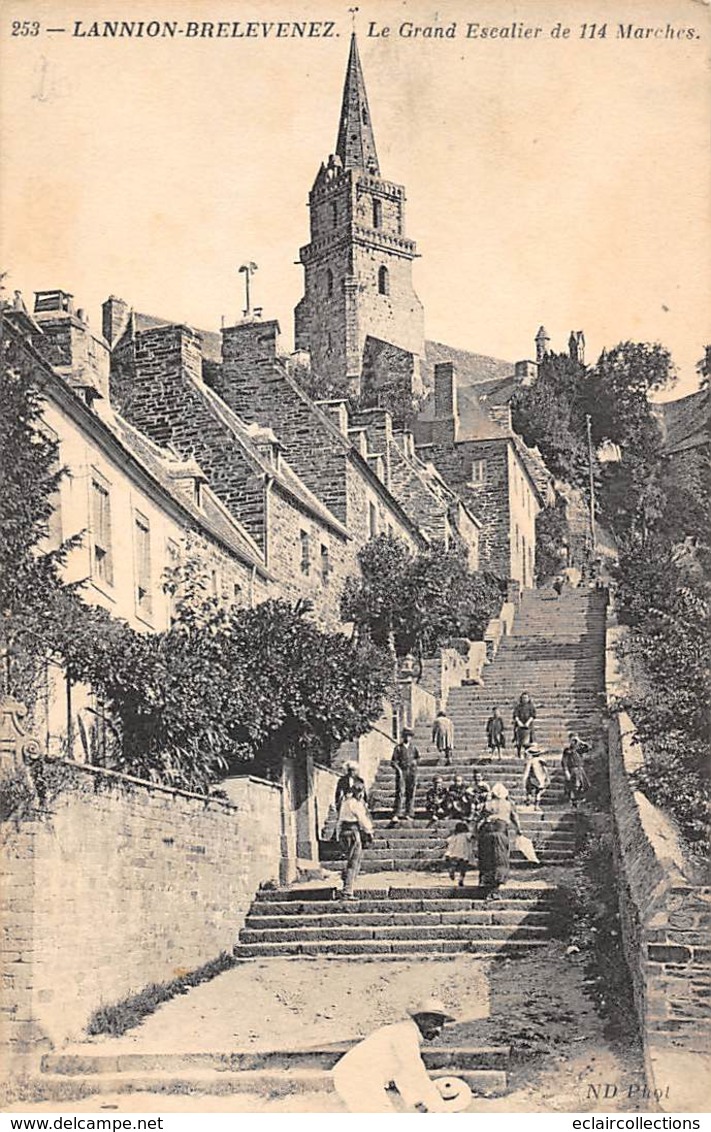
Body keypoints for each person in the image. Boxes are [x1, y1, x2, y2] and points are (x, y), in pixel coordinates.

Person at [332, 997, 455, 1113]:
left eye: (441, 1025)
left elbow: (404, 1075)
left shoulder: (406, 1032)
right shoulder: (405, 1033)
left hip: (358, 1079)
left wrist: (421, 1104)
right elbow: (414, 1071)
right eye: (435, 1023)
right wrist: (438, 1108)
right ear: (421, 1018)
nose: (439, 1031)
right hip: (358, 1079)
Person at [476, 782, 521, 899]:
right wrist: (518, 830)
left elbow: (479, 819)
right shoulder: (509, 804)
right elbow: (515, 817)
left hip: (486, 831)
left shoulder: (487, 804)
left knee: (487, 857)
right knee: (500, 858)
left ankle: (485, 885)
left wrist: (476, 833)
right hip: (500, 831)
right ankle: (495, 889)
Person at [336, 783, 373, 900]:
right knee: (354, 861)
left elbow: (339, 820)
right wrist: (369, 831)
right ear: (360, 793)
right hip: (352, 832)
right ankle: (347, 890)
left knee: (349, 859)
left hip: (343, 831)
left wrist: (337, 835)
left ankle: (346, 881)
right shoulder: (356, 804)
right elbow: (362, 819)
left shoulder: (345, 802)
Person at [391, 728, 420, 825]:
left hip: (411, 772)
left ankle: (409, 813)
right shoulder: (398, 748)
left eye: (409, 736)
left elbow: (418, 758)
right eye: (406, 736)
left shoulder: (414, 748)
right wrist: (398, 770)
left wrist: (415, 763)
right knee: (400, 792)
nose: (408, 738)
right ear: (403, 737)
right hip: (402, 772)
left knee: (410, 792)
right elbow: (393, 762)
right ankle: (397, 813)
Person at [561, 733, 590, 808]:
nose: (574, 742)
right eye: (572, 740)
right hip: (572, 769)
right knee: (573, 786)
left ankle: (579, 800)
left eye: (575, 740)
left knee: (583, 785)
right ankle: (573, 801)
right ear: (570, 740)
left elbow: (588, 747)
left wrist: (581, 741)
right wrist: (566, 771)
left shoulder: (579, 749)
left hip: (580, 769)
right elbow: (564, 762)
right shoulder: (567, 750)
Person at [522, 744, 551, 810]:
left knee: (529, 791)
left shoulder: (530, 761)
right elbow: (545, 769)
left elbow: (527, 770)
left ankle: (529, 802)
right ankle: (536, 805)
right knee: (538, 792)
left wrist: (525, 778)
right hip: (539, 777)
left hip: (532, 777)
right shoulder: (541, 760)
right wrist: (547, 777)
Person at [445, 821, 472, 886]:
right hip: (464, 854)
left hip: (453, 853)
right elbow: (472, 837)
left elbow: (447, 841)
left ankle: (452, 870)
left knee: (454, 864)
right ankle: (461, 879)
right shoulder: (466, 835)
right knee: (463, 868)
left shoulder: (454, 836)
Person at [512, 692, 537, 758]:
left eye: (526, 698)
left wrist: (527, 723)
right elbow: (515, 715)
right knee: (519, 741)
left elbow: (533, 716)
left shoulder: (531, 707)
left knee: (528, 742)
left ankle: (527, 754)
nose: (524, 699)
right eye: (523, 698)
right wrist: (519, 722)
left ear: (528, 699)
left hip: (528, 726)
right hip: (519, 726)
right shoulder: (518, 707)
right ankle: (519, 754)